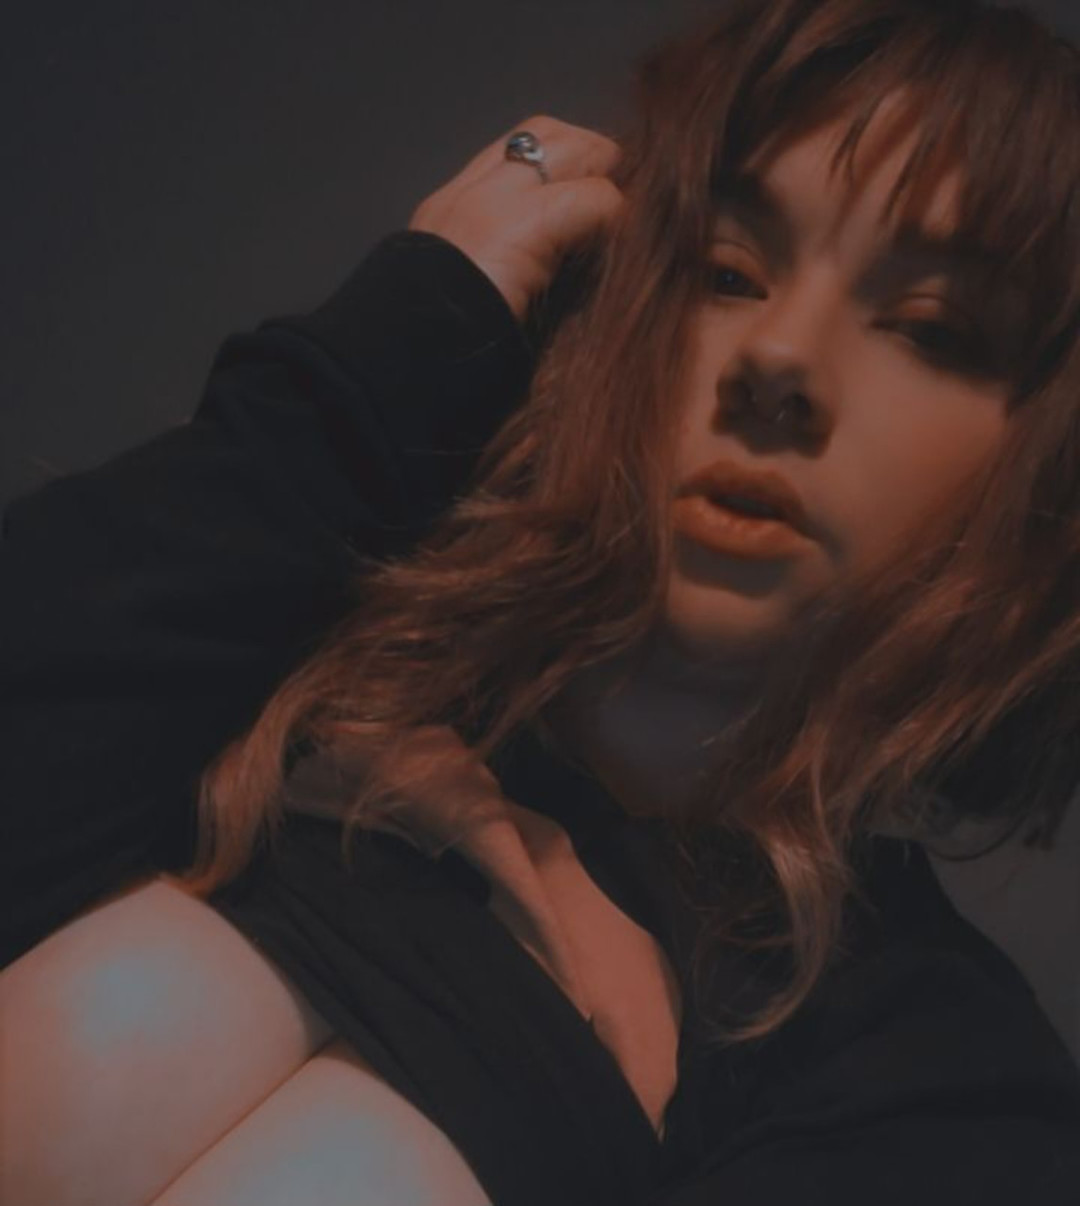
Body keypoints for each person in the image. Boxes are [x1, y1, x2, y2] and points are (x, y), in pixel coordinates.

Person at [3, 0, 1080, 1202]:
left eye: (930, 329)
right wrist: (372, 371)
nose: (781, 360)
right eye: (726, 272)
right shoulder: (251, 656)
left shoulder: (951, 1084)